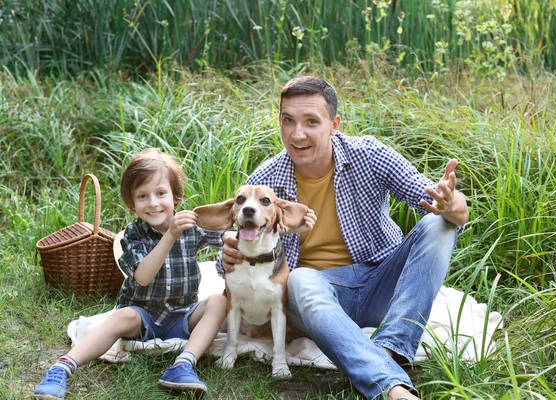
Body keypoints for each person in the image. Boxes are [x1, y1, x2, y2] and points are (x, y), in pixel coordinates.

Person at [219, 76, 468, 400]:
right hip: (313, 296)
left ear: (334, 124)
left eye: (311, 121)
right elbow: (230, 253)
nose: (297, 134)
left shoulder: (369, 155)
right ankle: (392, 388)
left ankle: (388, 351)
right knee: (299, 280)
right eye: (288, 121)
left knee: (439, 223)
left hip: (380, 280)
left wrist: (450, 203)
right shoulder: (263, 183)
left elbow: (446, 208)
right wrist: (226, 252)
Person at [34, 148, 227, 399]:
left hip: (183, 314)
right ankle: (62, 368)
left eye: (161, 193)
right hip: (142, 317)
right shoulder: (132, 235)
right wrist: (170, 236)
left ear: (175, 196)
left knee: (218, 301)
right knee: (121, 316)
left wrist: (235, 239)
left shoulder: (191, 225)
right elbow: (143, 277)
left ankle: (183, 365)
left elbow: (225, 239)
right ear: (132, 204)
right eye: (142, 196)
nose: (153, 203)